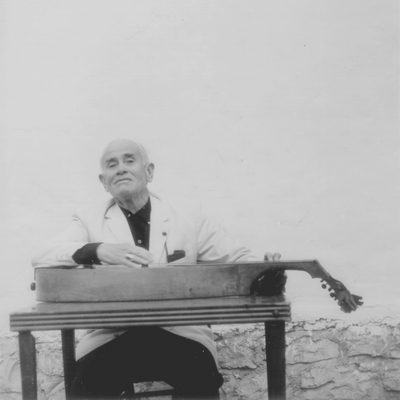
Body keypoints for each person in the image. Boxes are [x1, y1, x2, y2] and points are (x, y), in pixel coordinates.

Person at [32, 138, 286, 399]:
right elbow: (41, 256)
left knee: (201, 378)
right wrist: (97, 250)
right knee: (86, 385)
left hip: (179, 332)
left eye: (129, 160)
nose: (120, 168)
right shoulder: (88, 219)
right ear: (104, 181)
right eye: (112, 164)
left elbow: (239, 258)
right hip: (112, 334)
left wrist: (266, 270)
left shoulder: (188, 216)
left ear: (149, 171)